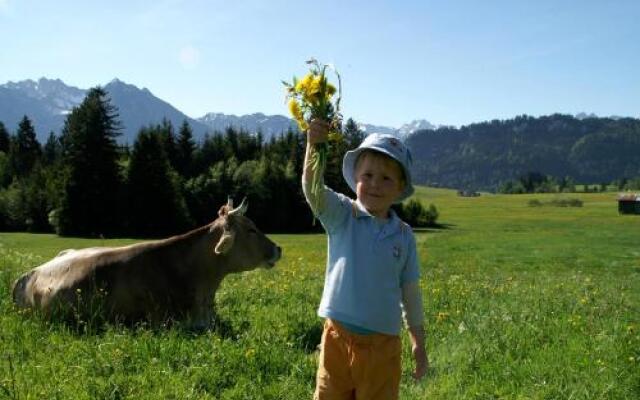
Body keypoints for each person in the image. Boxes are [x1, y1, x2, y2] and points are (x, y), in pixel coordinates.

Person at [303, 119, 429, 400]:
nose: (375, 184)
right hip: (337, 338)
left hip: (383, 348)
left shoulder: (403, 236)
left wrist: (418, 343)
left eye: (386, 179)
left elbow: (410, 293)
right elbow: (313, 190)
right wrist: (314, 146)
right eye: (368, 175)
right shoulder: (342, 215)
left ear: (399, 189)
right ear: (355, 178)